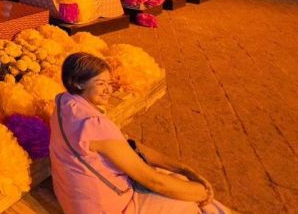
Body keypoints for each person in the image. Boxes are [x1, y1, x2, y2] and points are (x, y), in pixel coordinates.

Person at [50, 53, 228, 213]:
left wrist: (183, 169)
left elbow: (131, 146)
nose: (108, 90)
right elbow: (153, 181)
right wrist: (202, 192)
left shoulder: (64, 105)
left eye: (109, 83)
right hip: (107, 207)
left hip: (76, 202)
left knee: (177, 179)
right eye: (100, 83)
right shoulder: (93, 125)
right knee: (187, 201)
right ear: (78, 83)